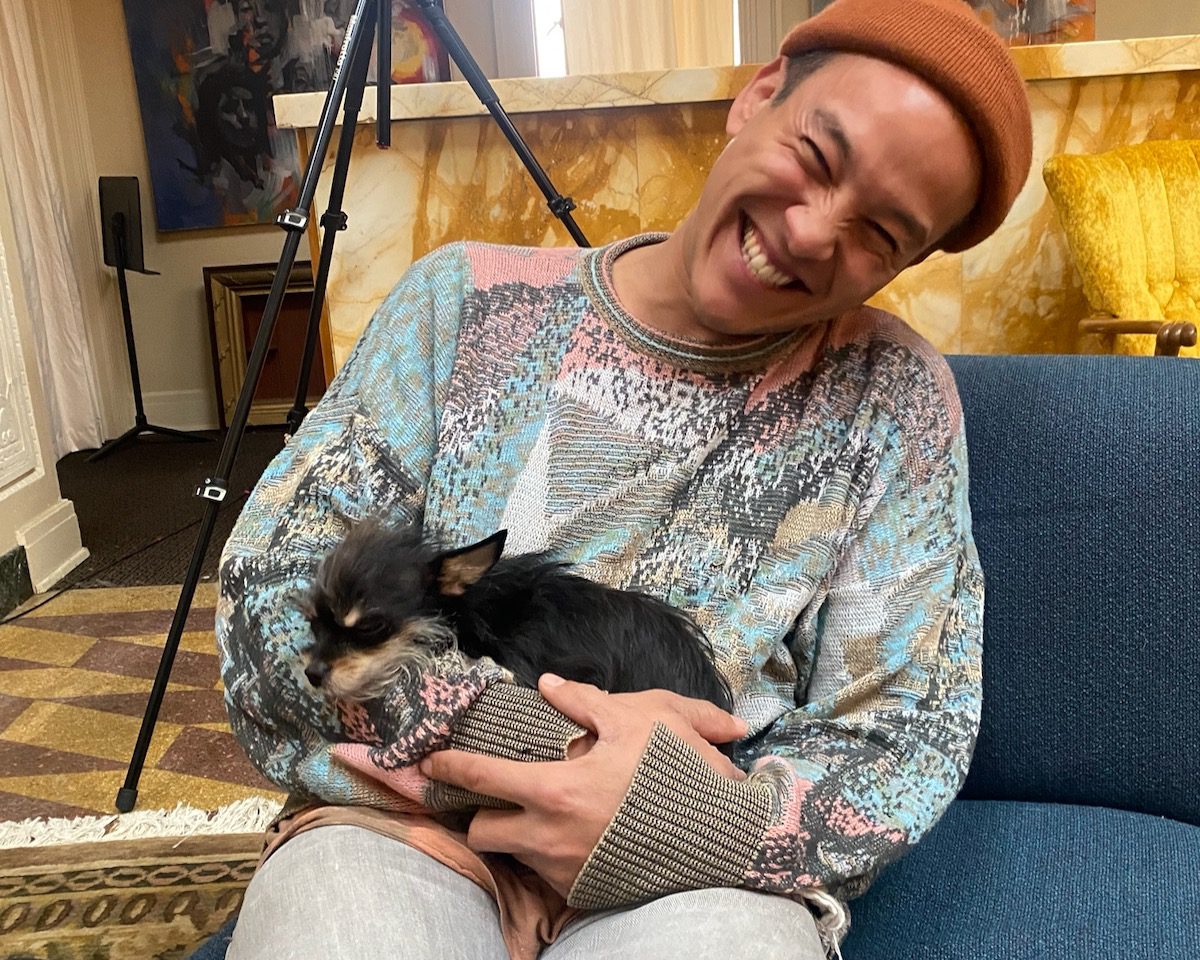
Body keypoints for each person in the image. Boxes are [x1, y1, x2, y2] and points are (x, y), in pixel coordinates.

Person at [217, 0, 1032, 957]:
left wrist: (674, 819)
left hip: (698, 870)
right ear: (758, 95)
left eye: (881, 234)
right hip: (397, 835)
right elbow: (269, 596)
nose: (813, 233)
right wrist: (546, 759)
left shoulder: (894, 405)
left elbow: (906, 732)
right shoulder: (463, 303)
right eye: (817, 158)